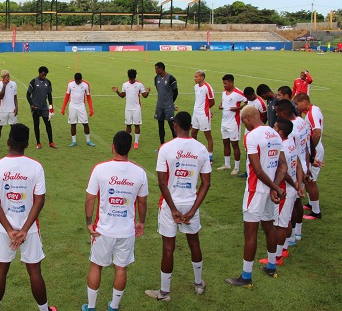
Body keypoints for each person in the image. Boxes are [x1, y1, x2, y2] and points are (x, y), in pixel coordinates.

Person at [0, 124, 56, 311]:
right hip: (29, 229)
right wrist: (23, 230)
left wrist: (9, 230)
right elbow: (39, 201)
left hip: (4, 228)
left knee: (0, 271)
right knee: (35, 272)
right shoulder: (36, 167)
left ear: (8, 142)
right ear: (27, 144)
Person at [145, 111, 211, 301]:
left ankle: (165, 293)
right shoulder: (201, 149)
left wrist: (173, 209)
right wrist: (192, 210)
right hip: (191, 202)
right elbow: (206, 183)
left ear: (175, 125)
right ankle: (198, 284)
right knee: (194, 243)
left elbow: (162, 182)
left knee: (168, 248)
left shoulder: (166, 148)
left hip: (169, 204)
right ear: (191, 126)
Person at [83, 131, 148, 311]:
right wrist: (141, 222)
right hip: (126, 231)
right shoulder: (140, 173)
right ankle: (114, 306)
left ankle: (91, 306)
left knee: (96, 265)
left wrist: (89, 223)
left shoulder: (100, 169)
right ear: (129, 149)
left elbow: (90, 199)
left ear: (112, 146)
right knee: (121, 268)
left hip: (103, 230)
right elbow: (142, 201)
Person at [225, 106, 286, 287]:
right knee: (269, 227)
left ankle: (246, 277)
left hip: (255, 190)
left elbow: (257, 170)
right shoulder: (275, 134)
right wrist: (275, 187)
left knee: (250, 233)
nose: (245, 124)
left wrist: (273, 187)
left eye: (244, 121)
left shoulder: (251, 136)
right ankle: (271, 266)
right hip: (270, 189)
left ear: (249, 117)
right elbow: (282, 166)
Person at [258, 118, 302, 267]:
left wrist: (280, 187)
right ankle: (284, 248)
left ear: (280, 131)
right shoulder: (290, 143)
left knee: (280, 224)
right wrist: (298, 183)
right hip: (290, 188)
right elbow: (298, 164)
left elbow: (285, 173)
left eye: (275, 127)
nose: (273, 128)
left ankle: (277, 257)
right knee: (286, 219)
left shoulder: (282, 147)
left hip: (285, 189)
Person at [275, 99, 310, 243]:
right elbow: (307, 145)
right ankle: (297, 232)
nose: (276, 115)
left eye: (277, 112)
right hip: (300, 166)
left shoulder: (291, 132)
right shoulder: (301, 122)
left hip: (292, 172)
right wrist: (308, 165)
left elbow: (288, 157)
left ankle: (290, 237)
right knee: (296, 203)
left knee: (289, 209)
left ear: (283, 112)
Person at [294, 93, 324, 220]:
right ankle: (311, 204)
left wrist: (311, 152)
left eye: (297, 104)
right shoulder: (313, 110)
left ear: (304, 102)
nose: (296, 106)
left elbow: (316, 133)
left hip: (315, 150)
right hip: (314, 149)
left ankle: (316, 212)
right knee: (308, 179)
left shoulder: (312, 113)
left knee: (310, 181)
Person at [111, 69, 150, 149]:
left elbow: (144, 95)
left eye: (133, 79)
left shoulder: (139, 85)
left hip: (136, 109)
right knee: (128, 125)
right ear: (128, 77)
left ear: (135, 77)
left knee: (137, 125)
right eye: (130, 79)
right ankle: (128, 141)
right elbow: (122, 95)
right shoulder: (125, 85)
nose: (132, 80)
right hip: (128, 108)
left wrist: (148, 92)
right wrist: (117, 91)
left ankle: (136, 142)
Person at [216, 75, 247, 175]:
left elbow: (247, 102)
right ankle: (227, 164)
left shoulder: (238, 93)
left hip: (234, 123)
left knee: (234, 144)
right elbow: (224, 101)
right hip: (224, 122)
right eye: (223, 83)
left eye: (226, 83)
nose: (224, 85)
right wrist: (221, 105)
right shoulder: (224, 92)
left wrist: (238, 108)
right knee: (225, 142)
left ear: (231, 83)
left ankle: (237, 168)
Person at [61, 72, 95, 147]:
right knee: (73, 124)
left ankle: (88, 140)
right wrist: (63, 108)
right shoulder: (70, 84)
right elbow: (67, 96)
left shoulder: (86, 85)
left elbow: (89, 97)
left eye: (79, 81)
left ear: (81, 80)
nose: (77, 82)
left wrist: (91, 109)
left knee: (85, 123)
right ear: (74, 79)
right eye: (76, 81)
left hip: (81, 106)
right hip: (72, 106)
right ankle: (74, 141)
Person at [27, 66, 57, 149]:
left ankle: (51, 142)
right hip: (35, 108)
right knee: (36, 125)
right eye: (43, 74)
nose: (44, 76)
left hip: (44, 108)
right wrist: (31, 105)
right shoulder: (33, 82)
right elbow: (28, 95)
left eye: (45, 75)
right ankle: (38, 143)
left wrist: (51, 107)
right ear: (39, 73)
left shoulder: (48, 83)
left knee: (48, 124)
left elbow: (49, 95)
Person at [190, 70, 215, 163]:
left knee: (208, 136)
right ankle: (195, 152)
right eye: (194, 77)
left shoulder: (207, 88)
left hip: (203, 115)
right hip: (195, 114)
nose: (195, 78)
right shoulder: (196, 87)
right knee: (193, 133)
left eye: (197, 77)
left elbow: (212, 102)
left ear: (202, 77)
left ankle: (210, 156)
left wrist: (207, 110)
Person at [153, 62, 178, 146]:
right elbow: (159, 90)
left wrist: (171, 102)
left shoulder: (171, 79)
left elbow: (176, 92)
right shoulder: (156, 78)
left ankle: (176, 145)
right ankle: (162, 145)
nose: (155, 70)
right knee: (160, 126)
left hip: (168, 107)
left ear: (161, 69)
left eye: (156, 69)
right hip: (159, 106)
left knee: (172, 126)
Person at [0, 70, 18, 153]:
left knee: (14, 128)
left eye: (8, 76)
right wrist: (4, 85)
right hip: (3, 110)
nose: (8, 78)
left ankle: (13, 144)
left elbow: (15, 96)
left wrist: (16, 107)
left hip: (12, 110)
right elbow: (1, 96)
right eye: (6, 76)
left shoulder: (13, 84)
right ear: (2, 77)